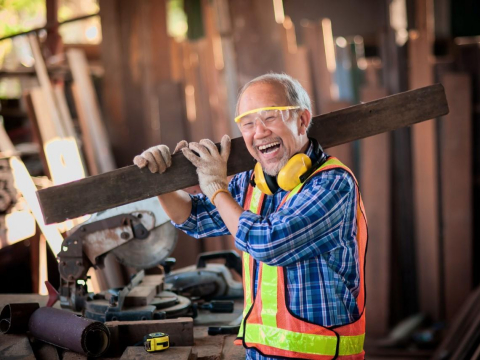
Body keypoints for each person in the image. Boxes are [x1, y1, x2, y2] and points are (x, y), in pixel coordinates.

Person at [134, 73, 367, 360]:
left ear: (303, 120)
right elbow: (194, 218)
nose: (259, 132)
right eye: (248, 124)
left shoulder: (332, 183)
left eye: (270, 118)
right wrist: (162, 182)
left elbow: (268, 243)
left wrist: (216, 189)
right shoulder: (252, 181)